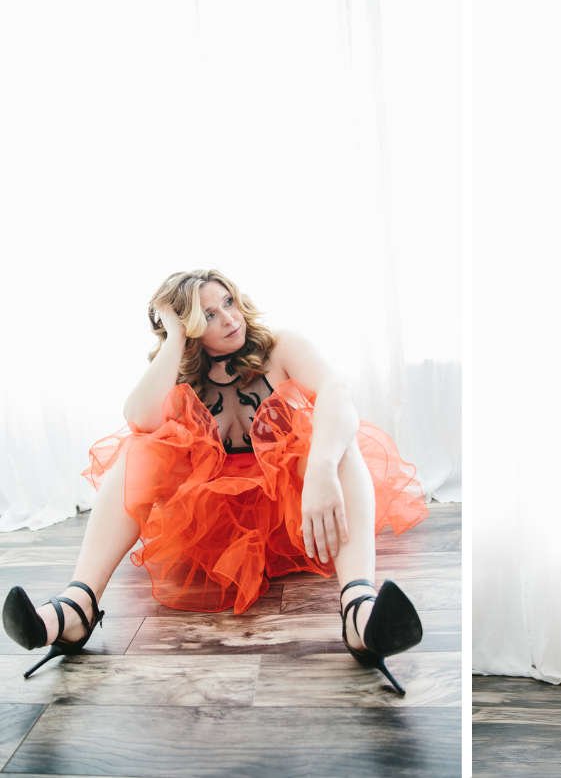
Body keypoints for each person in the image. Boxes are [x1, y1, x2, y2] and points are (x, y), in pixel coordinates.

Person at [2, 269, 429, 695]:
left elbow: (337, 391)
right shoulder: (180, 369)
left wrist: (319, 469)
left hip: (295, 508)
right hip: (220, 525)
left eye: (228, 301)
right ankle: (77, 606)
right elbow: (139, 417)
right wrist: (173, 341)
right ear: (187, 329)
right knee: (140, 448)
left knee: (335, 444)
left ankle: (358, 608)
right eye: (207, 315)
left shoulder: (280, 347)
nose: (230, 318)